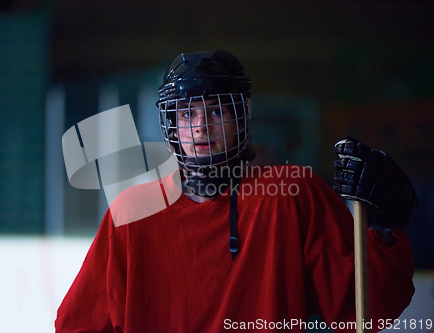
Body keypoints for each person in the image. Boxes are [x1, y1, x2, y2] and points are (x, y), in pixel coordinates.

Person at [55, 50, 418, 332]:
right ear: (171, 124)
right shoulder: (131, 212)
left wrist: (384, 227)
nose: (200, 127)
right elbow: (78, 325)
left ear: (242, 116)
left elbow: (363, 310)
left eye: (215, 112)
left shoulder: (291, 195)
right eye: (187, 115)